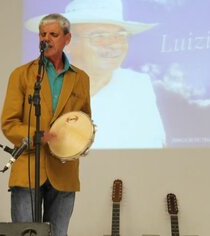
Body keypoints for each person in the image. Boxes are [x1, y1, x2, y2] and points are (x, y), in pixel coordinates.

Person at [25, 0, 166, 149]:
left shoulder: (137, 85)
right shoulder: (41, 90)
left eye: (120, 36)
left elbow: (158, 146)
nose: (114, 44)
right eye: (99, 36)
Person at [1, 13, 91, 236]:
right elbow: (9, 123)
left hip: (64, 170)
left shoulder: (81, 78)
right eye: (43, 34)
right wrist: (37, 136)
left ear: (67, 39)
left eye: (53, 34)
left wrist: (83, 140)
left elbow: (84, 120)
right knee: (26, 233)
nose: (47, 39)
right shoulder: (22, 75)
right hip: (28, 167)